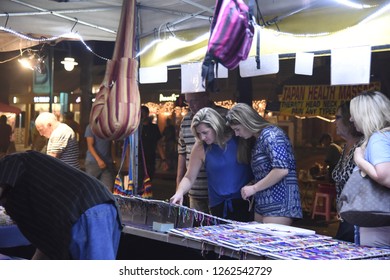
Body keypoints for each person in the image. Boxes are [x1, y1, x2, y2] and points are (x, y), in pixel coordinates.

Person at [0, 151, 122, 259]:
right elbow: (46, 244)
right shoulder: (31, 197)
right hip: (97, 205)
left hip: (86, 207)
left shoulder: (9, 164)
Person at [171, 107, 253, 222]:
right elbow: (189, 177)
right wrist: (179, 192)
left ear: (216, 127)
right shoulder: (200, 147)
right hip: (218, 205)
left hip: (246, 201)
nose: (202, 137)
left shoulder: (238, 136)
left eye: (205, 132)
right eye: (199, 134)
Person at [226, 103, 303, 225]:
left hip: (280, 204)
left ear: (247, 122)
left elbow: (282, 169)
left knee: (270, 242)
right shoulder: (259, 138)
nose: (237, 134)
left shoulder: (271, 135)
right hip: (264, 202)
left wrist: (254, 188)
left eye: (237, 129)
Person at [350, 91, 390, 248]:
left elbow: (385, 177)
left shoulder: (378, 138)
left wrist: (359, 159)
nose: (351, 119)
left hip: (379, 224)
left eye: (354, 114)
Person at [176, 92, 228, 213]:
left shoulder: (224, 116)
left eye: (194, 101)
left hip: (219, 192)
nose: (191, 105)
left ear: (206, 97)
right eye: (187, 102)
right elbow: (182, 153)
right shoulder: (186, 121)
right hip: (194, 190)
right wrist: (179, 188)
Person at [332, 101, 363, 243]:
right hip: (344, 215)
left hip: (360, 215)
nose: (334, 122)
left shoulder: (364, 144)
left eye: (337, 117)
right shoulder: (345, 147)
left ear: (348, 119)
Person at [138, 105, 165, 188]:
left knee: (148, 180)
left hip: (150, 158)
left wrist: (163, 158)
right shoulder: (137, 128)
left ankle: (146, 196)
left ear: (147, 114)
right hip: (139, 159)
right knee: (139, 180)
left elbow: (158, 144)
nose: (142, 115)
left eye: (143, 113)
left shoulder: (154, 128)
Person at [84, 124, 116, 192]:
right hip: (93, 162)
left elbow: (111, 144)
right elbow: (90, 146)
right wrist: (99, 160)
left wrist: (113, 159)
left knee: (108, 189)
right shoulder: (91, 127)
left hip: (107, 162)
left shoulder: (109, 127)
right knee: (91, 188)